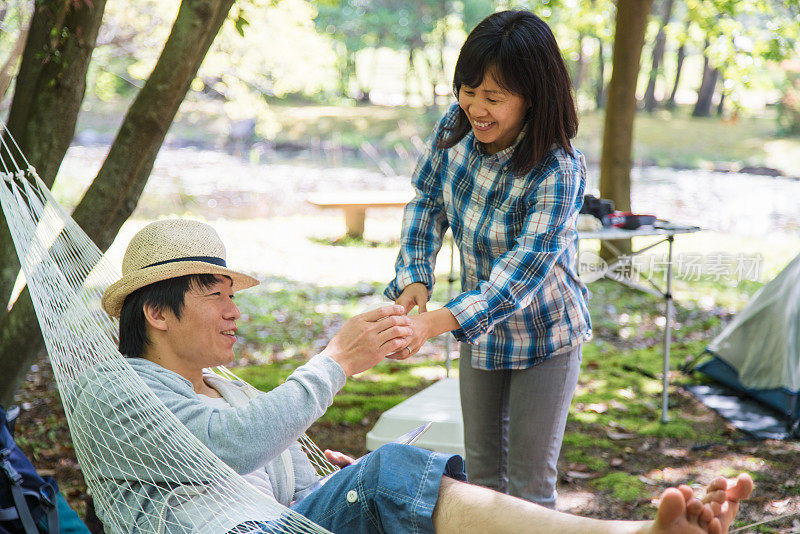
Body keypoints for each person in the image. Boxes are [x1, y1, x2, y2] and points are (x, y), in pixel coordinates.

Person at [88, 218, 752, 534]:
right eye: (214, 294)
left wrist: (335, 481)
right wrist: (337, 360)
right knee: (392, 473)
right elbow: (231, 444)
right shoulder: (122, 392)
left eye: (233, 292)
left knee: (393, 482)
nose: (235, 310)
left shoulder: (228, 387)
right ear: (157, 311)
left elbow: (283, 481)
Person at [385, 10, 590, 508]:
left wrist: (434, 323)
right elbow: (427, 198)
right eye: (468, 90)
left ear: (532, 96)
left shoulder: (558, 170)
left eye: (493, 97)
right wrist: (414, 272)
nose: (476, 107)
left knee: (529, 488)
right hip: (481, 332)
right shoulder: (455, 129)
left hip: (545, 337)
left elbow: (517, 281)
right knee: (481, 476)